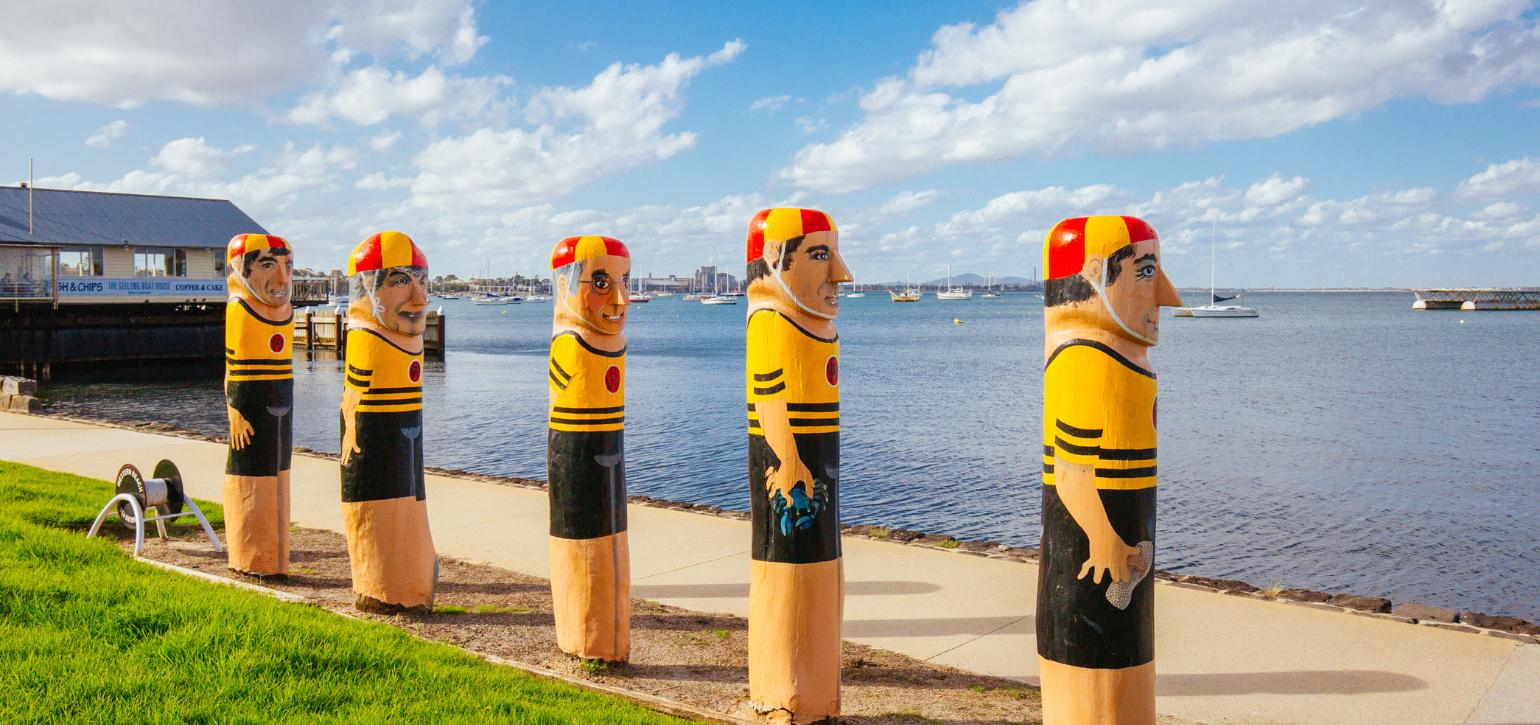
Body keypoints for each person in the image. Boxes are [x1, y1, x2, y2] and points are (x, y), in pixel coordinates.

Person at [1037, 215, 1181, 724]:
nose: (1166, 295)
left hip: (1123, 529)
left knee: (1125, 639)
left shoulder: (1122, 359)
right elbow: (1073, 470)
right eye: (1146, 272)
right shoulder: (1082, 359)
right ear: (1096, 273)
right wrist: (1103, 538)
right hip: (1093, 545)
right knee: (1098, 641)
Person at [744, 208, 853, 722]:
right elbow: (768, 397)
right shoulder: (770, 320)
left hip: (817, 469)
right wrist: (789, 459)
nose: (841, 274)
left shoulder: (815, 327)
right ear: (773, 261)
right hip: (793, 476)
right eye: (819, 254)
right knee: (793, 561)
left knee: (825, 571)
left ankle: (816, 688)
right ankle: (786, 690)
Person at [338, 230, 437, 613]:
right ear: (367, 286)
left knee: (413, 521)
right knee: (390, 532)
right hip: (374, 444)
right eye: (400, 280)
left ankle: (411, 580)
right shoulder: (366, 337)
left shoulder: (408, 339)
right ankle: (386, 589)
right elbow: (352, 399)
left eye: (422, 281)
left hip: (407, 436)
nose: (420, 297)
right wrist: (350, 432)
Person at [546, 235, 632, 663]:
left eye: (624, 281)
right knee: (588, 542)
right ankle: (584, 638)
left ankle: (606, 639)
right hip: (577, 457)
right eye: (600, 282)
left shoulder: (611, 341)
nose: (620, 299)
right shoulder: (570, 342)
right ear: (565, 287)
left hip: (609, 453)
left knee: (614, 547)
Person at [222, 233, 294, 578]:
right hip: (250, 403)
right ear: (242, 270)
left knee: (280, 479)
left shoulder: (285, 311)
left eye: (287, 266)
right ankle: (253, 556)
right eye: (268, 265)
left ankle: (276, 557)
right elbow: (232, 366)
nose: (282, 278)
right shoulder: (239, 308)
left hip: (282, 399)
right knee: (252, 476)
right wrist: (234, 409)